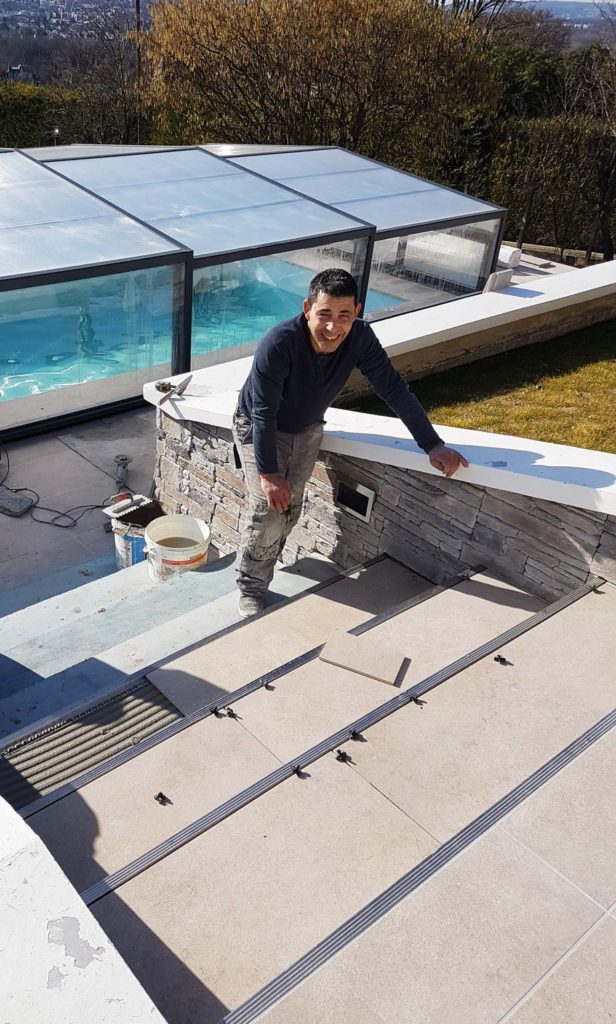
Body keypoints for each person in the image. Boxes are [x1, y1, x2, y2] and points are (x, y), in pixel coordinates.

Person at [232, 268, 469, 618]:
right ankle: (251, 587)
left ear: (356, 311)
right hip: (258, 425)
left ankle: (266, 560)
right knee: (268, 509)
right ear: (307, 309)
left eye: (344, 316)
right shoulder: (279, 342)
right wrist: (268, 473)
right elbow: (264, 412)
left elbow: (393, 388)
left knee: (290, 509)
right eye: (324, 314)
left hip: (307, 426)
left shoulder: (359, 338)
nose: (333, 327)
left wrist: (432, 445)